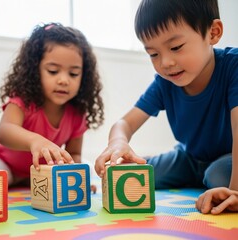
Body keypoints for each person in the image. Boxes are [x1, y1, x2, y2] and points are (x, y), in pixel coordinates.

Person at [94, 0, 238, 211]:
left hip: (229, 157)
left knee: (218, 175)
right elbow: (125, 122)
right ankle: (198, 177)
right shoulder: (165, 83)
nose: (165, 63)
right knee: (138, 174)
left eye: (176, 47)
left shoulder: (233, 66)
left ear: (213, 33)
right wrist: (117, 143)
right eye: (153, 54)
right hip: (189, 158)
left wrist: (235, 193)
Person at [0, 22, 104, 186]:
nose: (63, 80)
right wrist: (35, 141)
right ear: (34, 70)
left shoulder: (77, 113)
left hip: (39, 172)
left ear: (84, 76)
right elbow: (5, 132)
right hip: (2, 162)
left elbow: (73, 153)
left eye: (73, 74)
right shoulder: (23, 100)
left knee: (85, 167)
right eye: (53, 71)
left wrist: (77, 177)